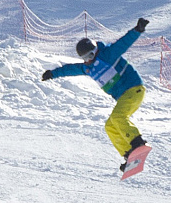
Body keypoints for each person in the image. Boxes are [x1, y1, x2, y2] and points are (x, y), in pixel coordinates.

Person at [41, 18, 151, 171]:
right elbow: (71, 69)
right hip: (124, 96)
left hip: (133, 89)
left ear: (96, 50)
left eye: (91, 55)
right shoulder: (88, 68)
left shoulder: (108, 54)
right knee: (110, 126)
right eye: (86, 58)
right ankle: (129, 154)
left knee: (118, 117)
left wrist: (137, 30)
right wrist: (53, 73)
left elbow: (124, 43)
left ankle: (138, 143)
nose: (89, 60)